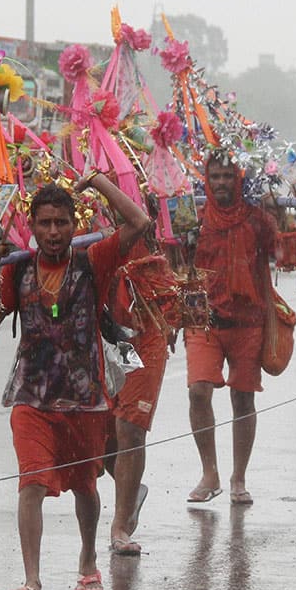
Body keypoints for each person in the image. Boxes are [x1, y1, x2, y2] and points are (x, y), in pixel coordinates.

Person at [0, 174, 152, 590]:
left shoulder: (93, 261)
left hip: (85, 401)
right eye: (44, 223)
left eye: (61, 223)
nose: (52, 232)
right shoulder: (18, 267)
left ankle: (87, 559)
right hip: (31, 398)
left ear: (73, 224)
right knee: (31, 484)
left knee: (85, 487)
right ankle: (32, 581)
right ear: (31, 226)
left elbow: (138, 221)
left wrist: (100, 183)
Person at [185, 150, 277, 506]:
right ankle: (210, 473)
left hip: (248, 321)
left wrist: (283, 221)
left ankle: (239, 477)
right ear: (206, 180)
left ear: (239, 179)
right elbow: (176, 260)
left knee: (243, 398)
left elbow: (282, 252)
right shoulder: (192, 218)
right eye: (215, 176)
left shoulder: (257, 219)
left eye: (227, 176)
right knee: (198, 392)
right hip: (203, 319)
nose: (221, 183)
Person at [102, 237, 171, 555]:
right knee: (100, 437)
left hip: (146, 331)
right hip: (101, 330)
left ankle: (121, 523)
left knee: (129, 428)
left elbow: (140, 224)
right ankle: (129, 490)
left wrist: (100, 183)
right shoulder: (79, 208)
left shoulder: (140, 201)